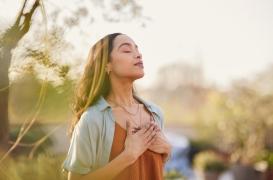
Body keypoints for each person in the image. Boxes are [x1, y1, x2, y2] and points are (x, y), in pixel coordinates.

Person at [62, 32, 172, 180]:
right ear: (107, 65)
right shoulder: (92, 119)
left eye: (137, 49)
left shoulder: (156, 113)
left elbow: (149, 169)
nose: (138, 55)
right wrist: (128, 156)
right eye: (127, 50)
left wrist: (167, 150)